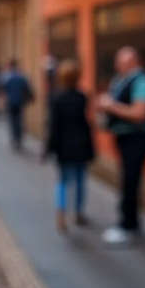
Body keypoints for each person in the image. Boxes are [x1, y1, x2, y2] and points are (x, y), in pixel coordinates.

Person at [97, 47, 145, 246]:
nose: (117, 66)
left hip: (136, 139)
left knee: (131, 181)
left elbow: (140, 113)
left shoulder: (142, 82)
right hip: (125, 138)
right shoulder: (121, 80)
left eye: (121, 62)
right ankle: (129, 222)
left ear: (133, 62)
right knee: (127, 180)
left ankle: (128, 225)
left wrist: (110, 106)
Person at [44, 60, 95, 234]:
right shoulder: (82, 97)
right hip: (80, 144)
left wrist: (48, 149)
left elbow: (54, 127)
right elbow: (86, 124)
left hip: (64, 147)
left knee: (63, 182)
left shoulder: (56, 98)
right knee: (80, 181)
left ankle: (61, 215)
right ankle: (79, 212)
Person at [1, 58, 34, 151]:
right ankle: (19, 137)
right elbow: (27, 88)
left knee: (12, 120)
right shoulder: (22, 77)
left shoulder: (8, 77)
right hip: (20, 101)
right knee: (19, 119)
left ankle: (15, 137)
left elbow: (4, 89)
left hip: (11, 101)